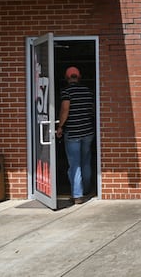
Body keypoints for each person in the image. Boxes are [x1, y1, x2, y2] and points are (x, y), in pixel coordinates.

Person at [56, 66, 95, 204]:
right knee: (85, 162)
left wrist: (60, 126)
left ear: (67, 78)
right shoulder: (88, 91)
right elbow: (92, 110)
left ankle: (77, 195)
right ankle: (87, 190)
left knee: (75, 164)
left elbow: (65, 109)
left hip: (73, 133)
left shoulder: (66, 91)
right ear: (79, 77)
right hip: (88, 131)